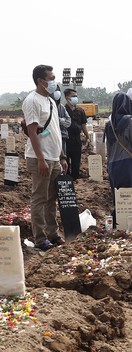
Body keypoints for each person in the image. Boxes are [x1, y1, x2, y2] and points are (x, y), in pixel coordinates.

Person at [23, 64, 68, 251]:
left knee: (52, 198)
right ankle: (40, 239)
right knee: (40, 198)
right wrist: (41, 159)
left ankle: (53, 233)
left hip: (54, 157)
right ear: (41, 81)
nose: (54, 81)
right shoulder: (32, 101)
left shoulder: (50, 101)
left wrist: (62, 156)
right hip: (39, 158)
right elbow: (33, 133)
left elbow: (55, 130)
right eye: (51, 78)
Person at [105, 92, 132, 207]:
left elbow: (108, 149)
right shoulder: (129, 122)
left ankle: (118, 223)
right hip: (128, 165)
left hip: (113, 166)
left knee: (120, 201)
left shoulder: (109, 124)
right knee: (131, 200)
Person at [64, 88, 90, 180]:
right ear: (67, 98)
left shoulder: (80, 111)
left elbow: (83, 125)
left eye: (76, 96)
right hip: (66, 140)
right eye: (73, 96)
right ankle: (67, 179)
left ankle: (75, 179)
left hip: (76, 140)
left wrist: (87, 137)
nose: (76, 98)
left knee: (76, 163)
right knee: (65, 162)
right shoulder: (63, 110)